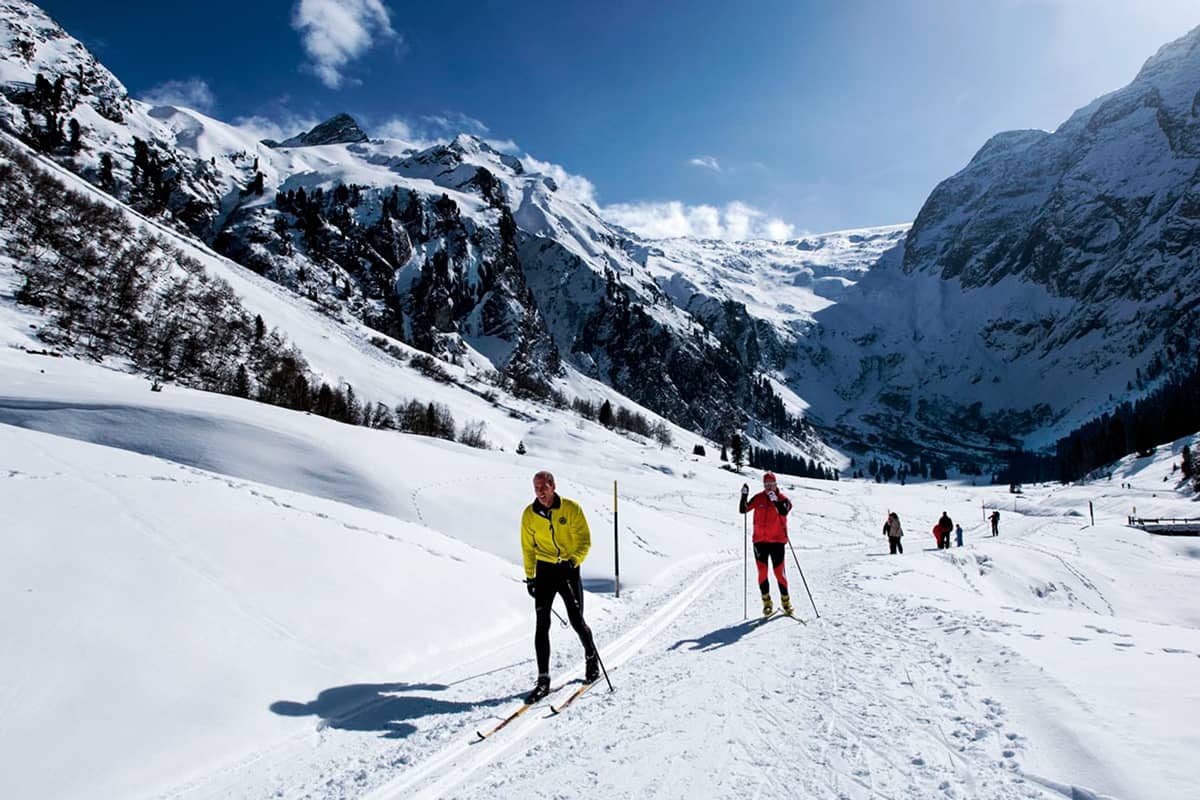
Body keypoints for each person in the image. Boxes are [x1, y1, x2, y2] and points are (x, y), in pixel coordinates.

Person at [520, 470, 600, 703]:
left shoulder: (571, 509)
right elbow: (528, 547)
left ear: (553, 486)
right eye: (536, 488)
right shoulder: (529, 515)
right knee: (541, 623)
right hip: (545, 571)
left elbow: (585, 540)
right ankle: (543, 680)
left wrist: (573, 561)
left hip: (568, 569)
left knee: (576, 620)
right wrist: (530, 577)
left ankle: (591, 657)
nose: (540, 492)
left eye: (543, 487)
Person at [739, 472, 794, 616]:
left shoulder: (783, 499)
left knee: (779, 573)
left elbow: (783, 511)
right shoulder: (759, 498)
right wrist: (744, 496)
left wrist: (775, 500)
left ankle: (786, 602)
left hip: (777, 542)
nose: (769, 487)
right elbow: (743, 510)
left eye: (771, 484)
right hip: (759, 542)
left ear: (776, 484)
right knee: (762, 573)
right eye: (766, 484)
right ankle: (767, 603)